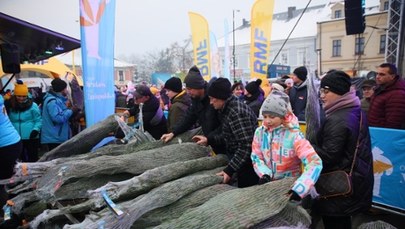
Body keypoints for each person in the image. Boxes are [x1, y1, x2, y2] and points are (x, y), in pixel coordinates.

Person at [311, 70, 373, 229]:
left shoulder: (338, 118)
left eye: (326, 91)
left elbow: (329, 156)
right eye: (321, 91)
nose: (322, 95)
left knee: (336, 223)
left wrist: (306, 144)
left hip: (337, 188)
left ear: (339, 92)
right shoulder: (354, 109)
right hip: (353, 182)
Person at [251, 90, 322, 200]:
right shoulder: (260, 132)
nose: (267, 121)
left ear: (283, 116)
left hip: (290, 190)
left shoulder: (294, 135)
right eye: (264, 116)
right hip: (268, 188)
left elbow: (314, 162)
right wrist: (264, 174)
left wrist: (300, 188)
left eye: (272, 116)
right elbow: (256, 156)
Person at [192, 78, 259, 188]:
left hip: (248, 165)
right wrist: (209, 140)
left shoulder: (236, 112)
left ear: (221, 98)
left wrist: (229, 170)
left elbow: (246, 146)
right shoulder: (226, 108)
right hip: (240, 161)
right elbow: (228, 134)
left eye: (213, 99)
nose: (211, 102)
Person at [161, 65, 224, 154]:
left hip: (222, 141)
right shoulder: (195, 100)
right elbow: (188, 118)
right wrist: (173, 133)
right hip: (211, 141)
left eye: (190, 89)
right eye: (186, 89)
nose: (187, 92)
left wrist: (209, 139)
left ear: (199, 87)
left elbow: (223, 126)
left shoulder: (214, 99)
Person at [5, 80, 42, 162]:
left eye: (23, 96)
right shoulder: (10, 105)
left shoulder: (33, 105)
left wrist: (36, 130)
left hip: (31, 136)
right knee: (19, 158)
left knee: (32, 158)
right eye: (19, 96)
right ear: (15, 95)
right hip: (15, 137)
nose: (21, 98)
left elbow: (38, 120)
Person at [41, 78, 78, 151]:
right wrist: (71, 111)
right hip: (55, 137)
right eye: (65, 88)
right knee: (57, 160)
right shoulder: (52, 101)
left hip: (56, 136)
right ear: (62, 90)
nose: (67, 91)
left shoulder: (56, 100)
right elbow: (58, 118)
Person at [0, 95, 23, 211]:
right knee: (6, 181)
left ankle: (7, 215)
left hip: (5, 146)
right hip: (12, 142)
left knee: (3, 183)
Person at [368, 63, 405, 129]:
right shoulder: (380, 89)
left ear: (392, 76)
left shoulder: (397, 95)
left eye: (382, 74)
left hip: (382, 135)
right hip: (374, 133)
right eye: (377, 73)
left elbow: (393, 124)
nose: (377, 77)